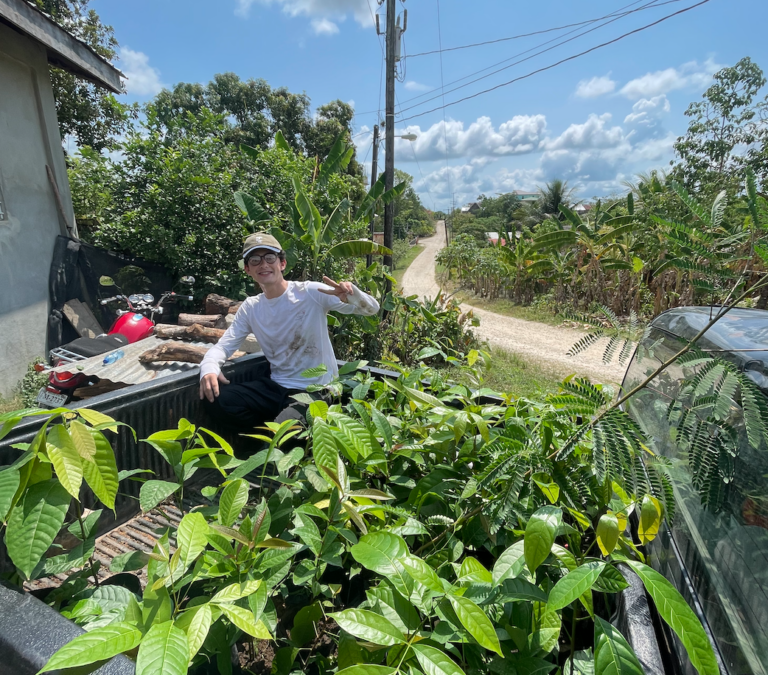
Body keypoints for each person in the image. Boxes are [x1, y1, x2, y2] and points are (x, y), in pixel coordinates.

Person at [199, 232, 380, 431]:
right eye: (255, 259)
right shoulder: (251, 307)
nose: (264, 264)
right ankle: (265, 440)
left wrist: (352, 294)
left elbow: (372, 309)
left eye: (270, 258)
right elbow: (224, 347)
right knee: (217, 400)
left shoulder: (310, 293)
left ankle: (274, 441)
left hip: (315, 390)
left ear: (282, 263)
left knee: (282, 433)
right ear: (247, 269)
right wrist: (208, 367)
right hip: (276, 387)